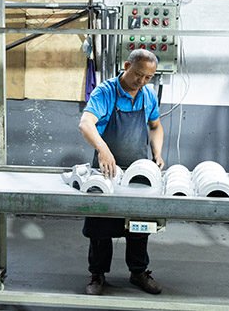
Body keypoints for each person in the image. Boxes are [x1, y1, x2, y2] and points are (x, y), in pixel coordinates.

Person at [78, 48, 164, 296]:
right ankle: (97, 274)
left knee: (140, 225)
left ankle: (138, 272)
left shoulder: (148, 96)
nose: (142, 81)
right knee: (100, 226)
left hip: (138, 174)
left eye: (148, 77)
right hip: (106, 172)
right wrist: (103, 150)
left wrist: (157, 153)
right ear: (126, 66)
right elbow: (86, 123)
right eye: (138, 74)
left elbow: (155, 126)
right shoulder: (105, 92)